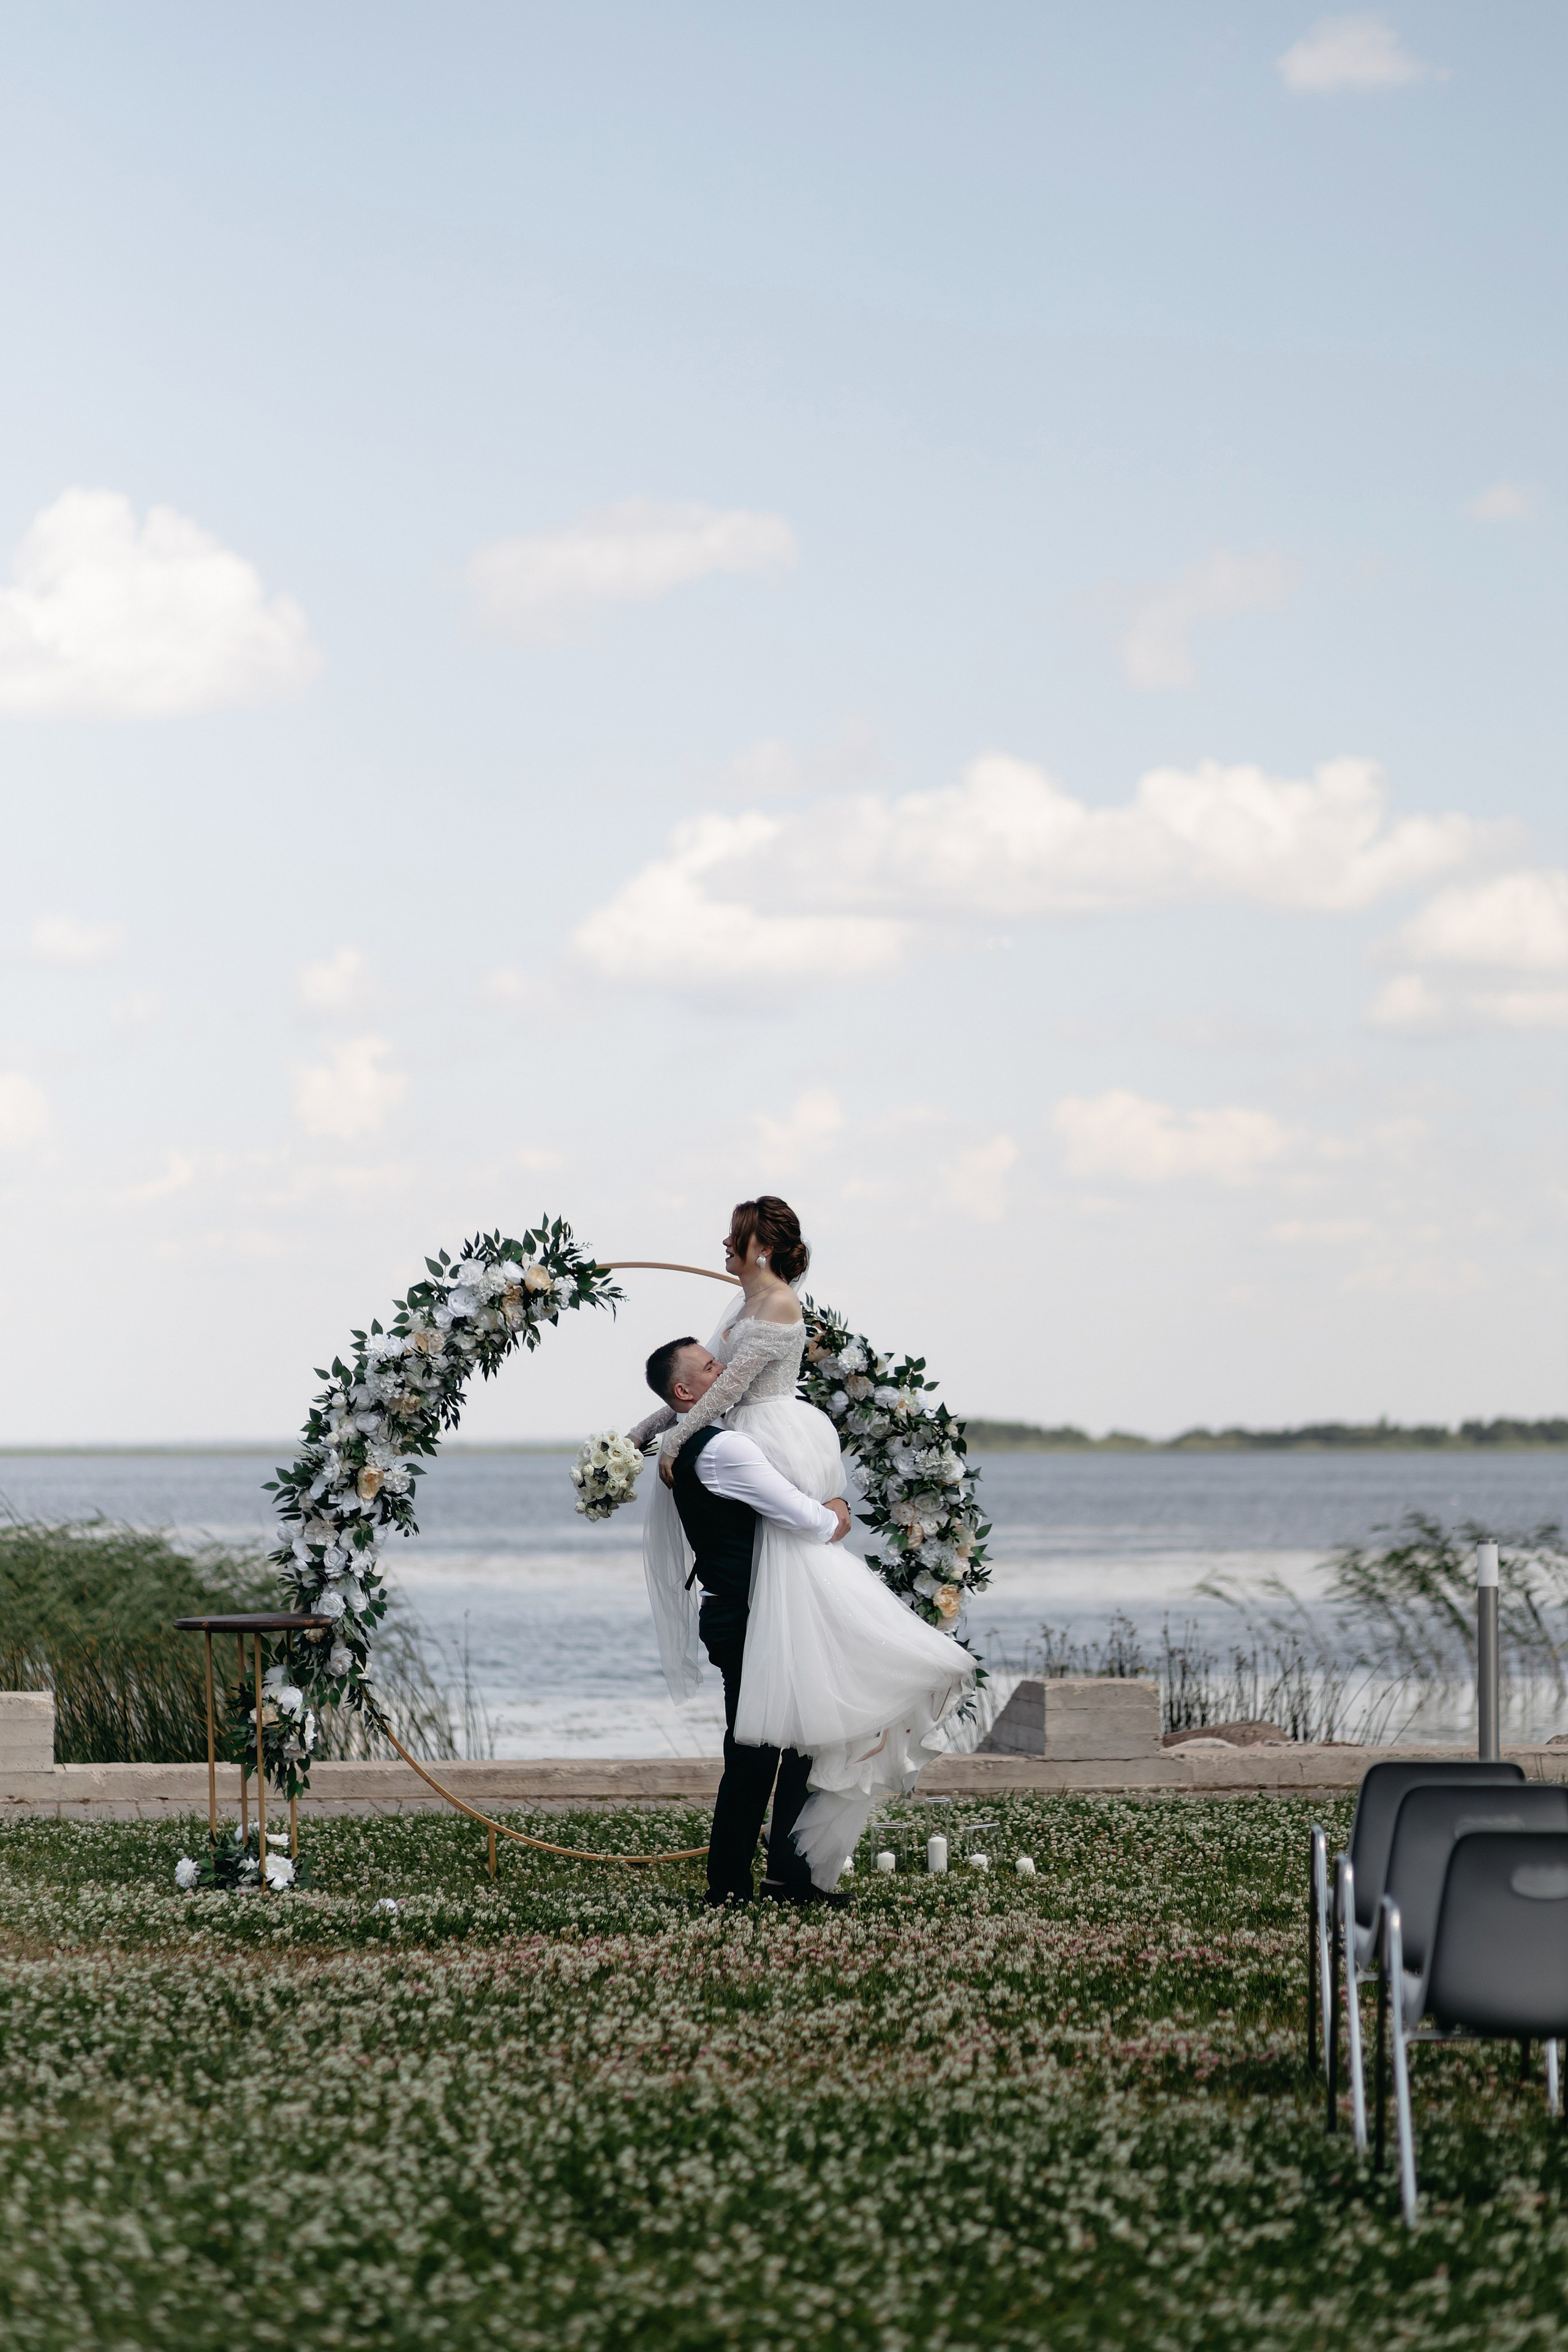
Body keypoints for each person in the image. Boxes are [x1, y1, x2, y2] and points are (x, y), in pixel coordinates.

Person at [629, 1196, 974, 1893]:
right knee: (763, 1730)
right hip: (739, 1438)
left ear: (760, 1247)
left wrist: (673, 1440)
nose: (725, 1242)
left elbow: (718, 1389)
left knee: (792, 1562)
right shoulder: (736, 1313)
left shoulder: (778, 1306)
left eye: (736, 1235)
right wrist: (641, 1437)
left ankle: (776, 1873)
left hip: (768, 1430)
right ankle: (760, 1876)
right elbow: (700, 1391)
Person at [645, 1332, 854, 1907]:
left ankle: (776, 1877)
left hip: (744, 1613)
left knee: (788, 1745)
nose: (730, 1374)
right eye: (713, 1368)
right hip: (750, 1619)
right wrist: (839, 1511)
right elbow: (808, 1521)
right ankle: (737, 1885)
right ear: (685, 1393)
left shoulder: (699, 1447)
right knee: (759, 1754)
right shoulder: (723, 1449)